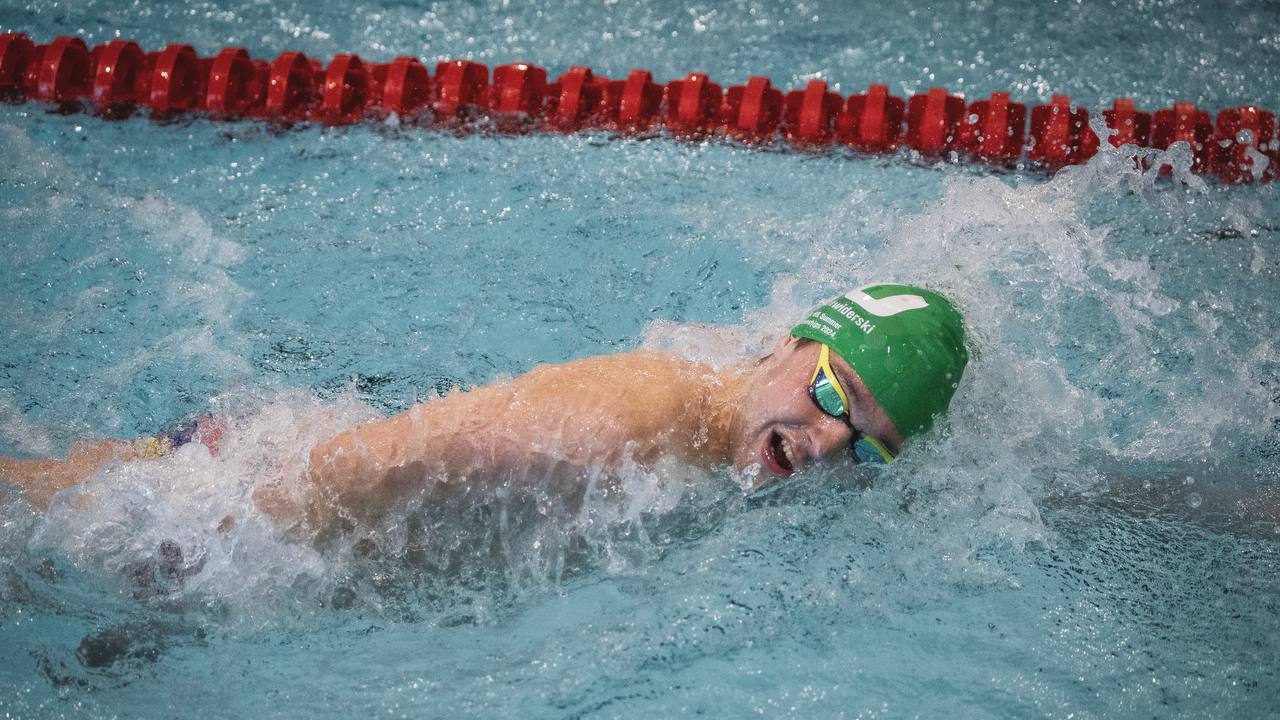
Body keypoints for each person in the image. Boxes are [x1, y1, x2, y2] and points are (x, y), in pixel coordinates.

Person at [0, 283, 969, 531]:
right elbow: (374, 463)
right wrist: (207, 546)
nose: (829, 438)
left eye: (867, 445)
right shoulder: (623, 423)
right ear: (786, 343)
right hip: (219, 503)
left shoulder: (736, 402)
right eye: (832, 390)